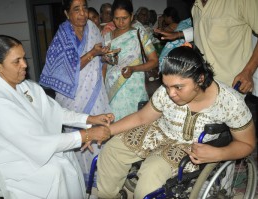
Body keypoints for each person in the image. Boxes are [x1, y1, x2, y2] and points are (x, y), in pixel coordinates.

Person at [0, 35, 114, 199]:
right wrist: (86, 135)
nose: (25, 64)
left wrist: (89, 119)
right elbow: (34, 142)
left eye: (23, 58)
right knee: (54, 171)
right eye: (16, 61)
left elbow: (54, 111)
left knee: (65, 156)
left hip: (20, 148)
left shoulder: (24, 85)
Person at [97, 46, 256, 198]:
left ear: (200, 79)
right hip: (160, 131)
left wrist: (219, 153)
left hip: (189, 146)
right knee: (112, 150)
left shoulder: (230, 103)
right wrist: (107, 131)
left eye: (178, 87)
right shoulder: (166, 92)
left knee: (150, 175)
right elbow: (142, 117)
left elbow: (247, 144)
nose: (171, 93)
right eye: (166, 86)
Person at [39, 0, 111, 184]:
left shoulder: (93, 30)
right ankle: (82, 179)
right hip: (73, 97)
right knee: (79, 136)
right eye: (76, 9)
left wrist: (106, 56)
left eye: (84, 8)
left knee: (100, 131)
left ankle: (102, 176)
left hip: (95, 92)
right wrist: (92, 54)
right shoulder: (62, 37)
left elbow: (100, 59)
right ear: (66, 13)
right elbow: (66, 70)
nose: (82, 13)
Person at [102, 0, 159, 121]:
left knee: (135, 126)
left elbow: (154, 61)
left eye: (124, 18)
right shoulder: (107, 37)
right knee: (115, 126)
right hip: (113, 90)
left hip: (134, 89)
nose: (121, 22)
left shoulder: (139, 34)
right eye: (117, 18)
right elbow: (105, 67)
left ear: (132, 16)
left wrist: (134, 68)